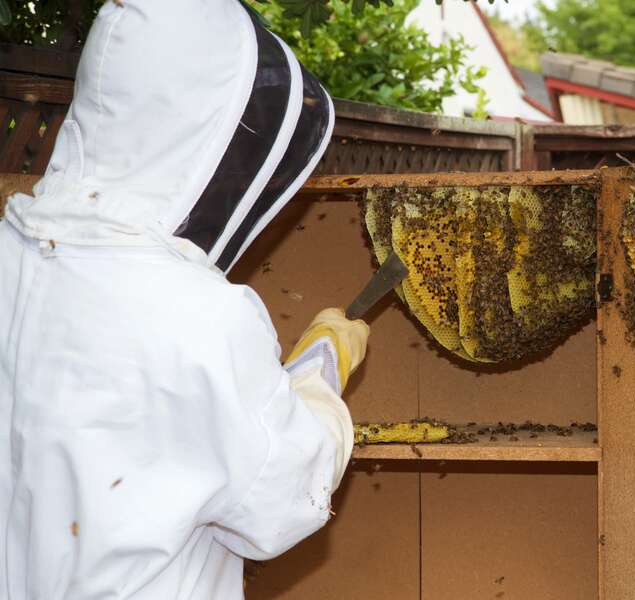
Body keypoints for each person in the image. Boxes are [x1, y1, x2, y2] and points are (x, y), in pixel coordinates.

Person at [0, 0, 368, 597]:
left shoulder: (9, 255)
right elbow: (282, 498)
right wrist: (322, 372)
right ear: (203, 132)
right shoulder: (200, 316)